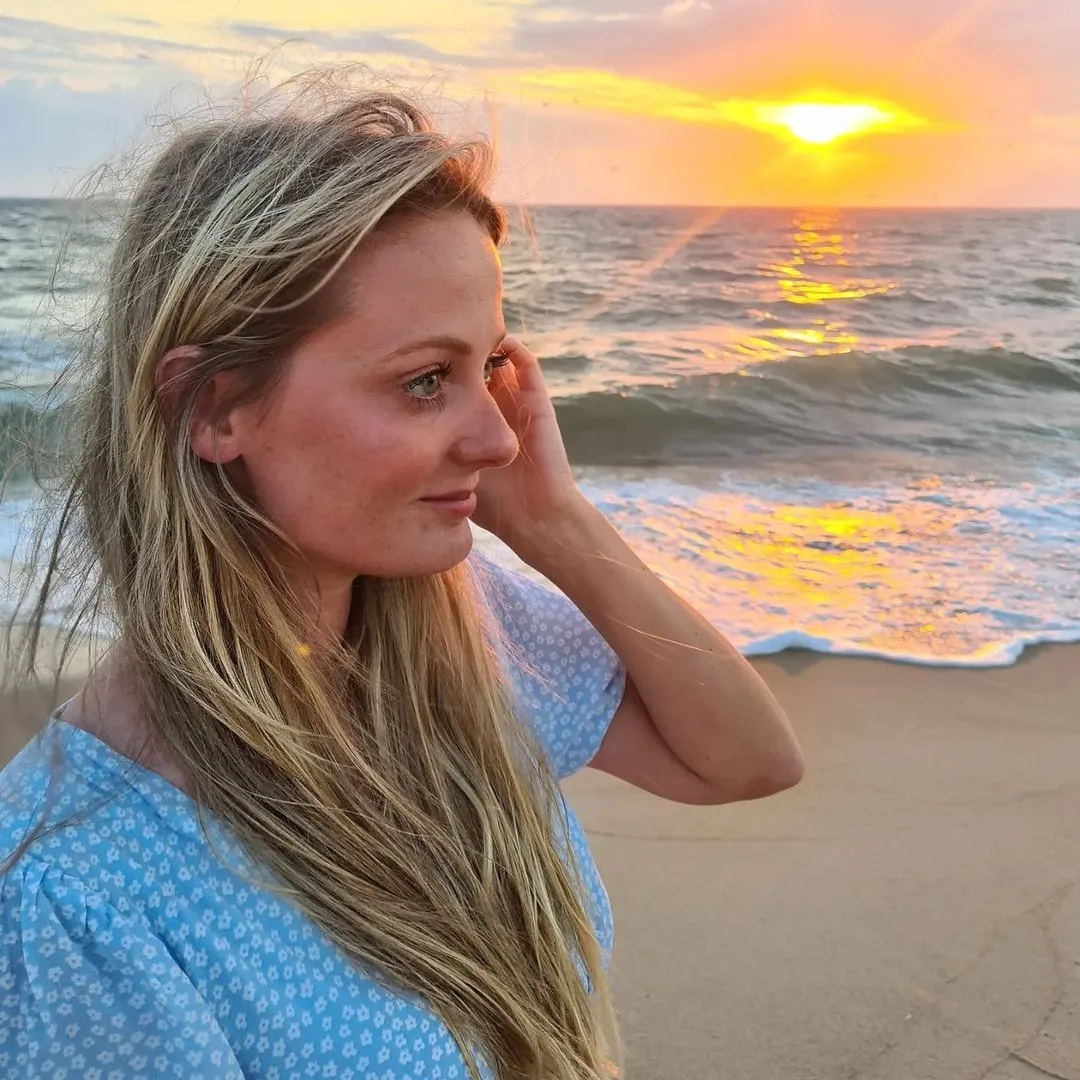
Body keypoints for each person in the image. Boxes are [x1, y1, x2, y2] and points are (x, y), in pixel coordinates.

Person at [0, 73, 803, 1080]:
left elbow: (746, 762)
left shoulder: (471, 640)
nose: (496, 439)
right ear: (213, 407)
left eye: (489, 369)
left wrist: (556, 524)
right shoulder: (78, 897)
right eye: (425, 381)